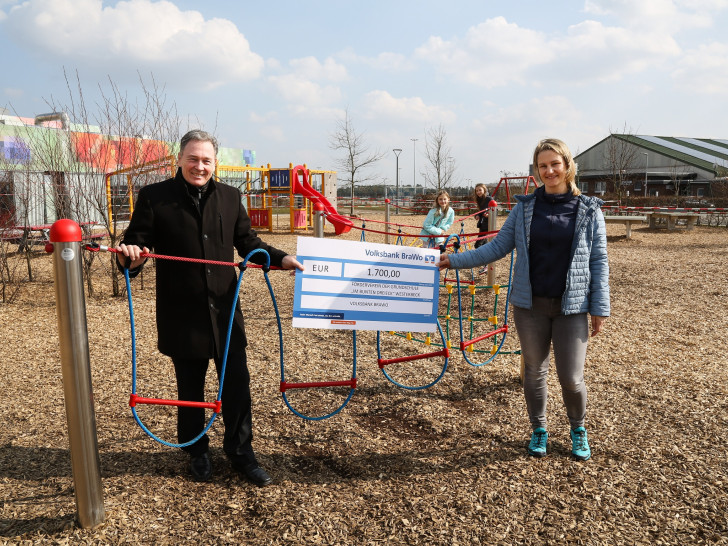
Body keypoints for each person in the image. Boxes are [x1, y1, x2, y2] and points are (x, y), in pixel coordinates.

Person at [116, 129, 304, 485]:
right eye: (193, 159)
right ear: (180, 160)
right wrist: (131, 257)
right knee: (190, 388)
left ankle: (241, 454)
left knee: (237, 385)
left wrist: (281, 259)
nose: (199, 166)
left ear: (214, 163)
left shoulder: (231, 197)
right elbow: (134, 247)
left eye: (206, 160)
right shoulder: (155, 197)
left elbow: (247, 242)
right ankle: (196, 450)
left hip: (226, 312)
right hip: (181, 312)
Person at [437, 138, 609, 461]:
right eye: (542, 166)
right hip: (530, 306)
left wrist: (600, 307)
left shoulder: (588, 209)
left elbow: (599, 260)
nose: (549, 171)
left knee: (571, 378)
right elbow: (496, 248)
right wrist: (454, 260)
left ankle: (578, 428)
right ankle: (539, 429)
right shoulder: (525, 208)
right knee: (534, 371)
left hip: (571, 307)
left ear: (567, 165)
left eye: (554, 164)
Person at [473, 183, 495, 249]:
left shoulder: (489, 199)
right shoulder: (479, 200)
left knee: (478, 245)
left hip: (488, 225)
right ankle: (486, 256)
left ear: (484, 190)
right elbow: (481, 211)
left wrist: (489, 214)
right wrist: (477, 215)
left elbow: (494, 211)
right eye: (477, 191)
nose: (478, 192)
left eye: (480, 190)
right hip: (482, 224)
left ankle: (481, 257)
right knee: (484, 243)